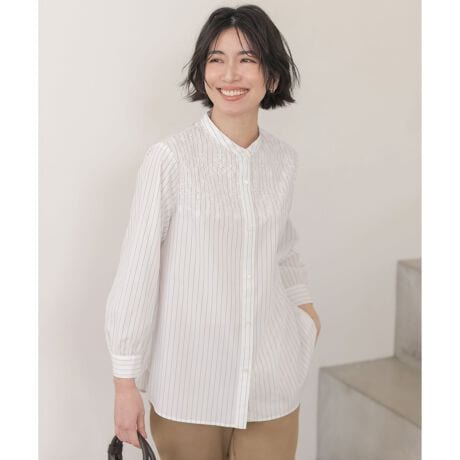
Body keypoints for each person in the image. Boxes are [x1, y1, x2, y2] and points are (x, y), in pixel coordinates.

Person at [104, 4, 321, 459]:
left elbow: (282, 249)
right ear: (202, 73)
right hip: (190, 390)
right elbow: (137, 272)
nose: (230, 74)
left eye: (247, 59)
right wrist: (125, 383)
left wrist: (306, 314)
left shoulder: (283, 161)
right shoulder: (170, 159)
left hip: (272, 384)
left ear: (272, 76)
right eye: (216, 59)